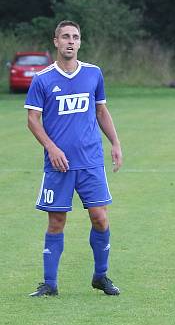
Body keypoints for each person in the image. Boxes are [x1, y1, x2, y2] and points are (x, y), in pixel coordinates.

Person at [24, 20, 123, 297]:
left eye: (75, 37)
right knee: (56, 221)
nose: (70, 41)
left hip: (91, 161)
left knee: (100, 218)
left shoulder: (93, 74)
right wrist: (52, 148)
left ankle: (101, 276)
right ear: (55, 41)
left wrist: (115, 143)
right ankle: (49, 283)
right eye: (65, 36)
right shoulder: (43, 79)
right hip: (58, 164)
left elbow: (101, 112)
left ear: (80, 42)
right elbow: (33, 120)